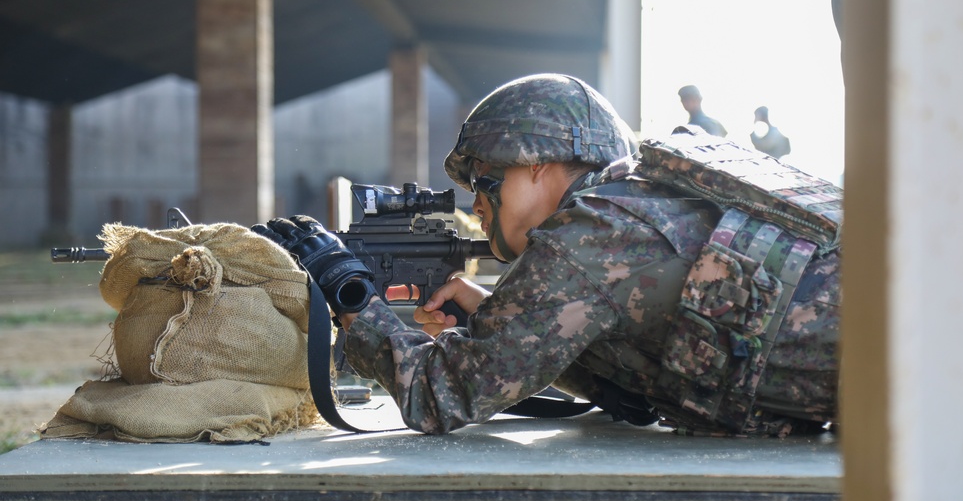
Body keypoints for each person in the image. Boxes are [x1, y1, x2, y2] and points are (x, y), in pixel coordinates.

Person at [255, 74, 840, 437]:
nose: (479, 207)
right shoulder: (636, 204)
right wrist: (494, 318)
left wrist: (342, 282)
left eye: (488, 180)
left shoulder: (586, 236)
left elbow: (437, 394)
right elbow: (635, 391)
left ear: (538, 165)